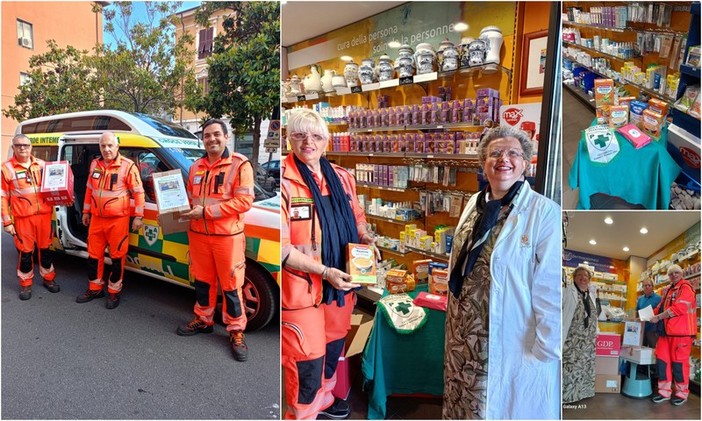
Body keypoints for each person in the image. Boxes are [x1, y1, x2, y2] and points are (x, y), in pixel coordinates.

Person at [444, 126, 561, 419]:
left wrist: (548, 344)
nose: (503, 159)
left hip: (503, 336)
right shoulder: (474, 203)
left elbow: (549, 285)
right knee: (462, 402)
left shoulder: (544, 212)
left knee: (494, 408)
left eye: (513, 153)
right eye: (494, 153)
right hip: (461, 333)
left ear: (525, 163)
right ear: (484, 162)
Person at [281, 109, 377, 419]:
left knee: (333, 347)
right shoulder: (284, 180)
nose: (308, 141)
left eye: (316, 136)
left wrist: (368, 239)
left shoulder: (343, 178)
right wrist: (324, 272)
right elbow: (282, 249)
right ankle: (304, 412)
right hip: (303, 289)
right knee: (307, 359)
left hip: (341, 286)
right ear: (289, 139)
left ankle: (324, 400)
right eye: (299, 135)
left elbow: (358, 218)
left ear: (327, 141)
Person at [176, 119, 255, 362]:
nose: (211, 139)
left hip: (226, 238)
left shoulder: (240, 164)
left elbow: (244, 202)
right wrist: (175, 209)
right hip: (199, 235)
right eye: (207, 135)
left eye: (216, 135)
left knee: (231, 287)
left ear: (226, 137)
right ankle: (204, 319)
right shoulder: (196, 167)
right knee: (203, 282)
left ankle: (236, 330)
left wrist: (206, 213)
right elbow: (189, 198)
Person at [77, 132, 145, 309]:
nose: (106, 149)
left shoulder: (128, 166)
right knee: (93, 256)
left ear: (117, 146)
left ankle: (114, 292)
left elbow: (138, 193)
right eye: (103, 146)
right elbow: (89, 190)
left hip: (118, 221)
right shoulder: (95, 164)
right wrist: (85, 212)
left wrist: (138, 216)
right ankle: (95, 288)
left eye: (110, 145)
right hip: (97, 220)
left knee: (117, 258)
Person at [1, 134, 61, 300]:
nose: (22, 148)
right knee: (25, 252)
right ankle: (25, 284)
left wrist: (64, 197)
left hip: (44, 216)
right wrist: (7, 221)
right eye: (18, 145)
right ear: (13, 147)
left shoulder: (42, 165)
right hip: (23, 219)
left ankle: (48, 279)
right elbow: (3, 197)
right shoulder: (6, 168)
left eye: (25, 145)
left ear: (31, 147)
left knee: (46, 249)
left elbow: (54, 187)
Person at [649, 264, 696, 406]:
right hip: (665, 333)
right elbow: (660, 308)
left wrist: (658, 317)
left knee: (679, 365)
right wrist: (645, 316)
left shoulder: (686, 288)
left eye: (676, 272)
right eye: (671, 274)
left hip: (681, 334)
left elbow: (678, 308)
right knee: (662, 362)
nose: (674, 275)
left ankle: (681, 394)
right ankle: (664, 392)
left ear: (681, 273)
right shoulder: (669, 290)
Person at [562, 266, 599, 404]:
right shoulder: (567, 292)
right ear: (574, 277)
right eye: (580, 275)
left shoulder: (591, 295)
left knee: (585, 367)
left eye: (586, 276)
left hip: (588, 342)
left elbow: (594, 315)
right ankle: (568, 396)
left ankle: (584, 392)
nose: (583, 278)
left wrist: (596, 331)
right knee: (570, 366)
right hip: (572, 340)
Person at [636, 277, 661, 348]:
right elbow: (637, 311)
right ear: (642, 287)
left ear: (653, 287)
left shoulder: (658, 298)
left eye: (649, 285)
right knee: (641, 349)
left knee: (653, 350)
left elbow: (661, 312)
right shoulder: (640, 299)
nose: (647, 287)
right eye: (645, 285)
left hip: (653, 330)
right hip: (642, 329)